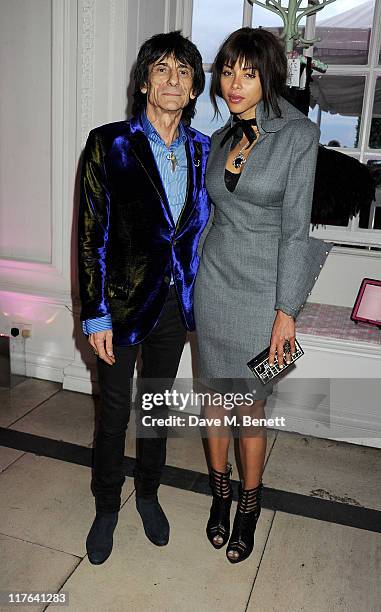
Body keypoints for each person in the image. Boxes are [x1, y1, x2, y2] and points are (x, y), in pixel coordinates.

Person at [193, 28, 333, 564]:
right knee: (213, 401)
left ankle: (249, 504)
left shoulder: (298, 135)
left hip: (262, 295)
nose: (234, 83)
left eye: (247, 73)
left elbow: (296, 230)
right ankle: (220, 497)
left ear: (268, 75)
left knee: (248, 408)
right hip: (215, 286)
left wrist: (286, 313)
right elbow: (213, 218)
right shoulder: (222, 138)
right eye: (227, 72)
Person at [78, 31, 210, 565]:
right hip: (121, 305)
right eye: (162, 69)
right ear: (143, 81)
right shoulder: (109, 142)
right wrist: (95, 315)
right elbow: (91, 235)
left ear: (195, 86)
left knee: (154, 410)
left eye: (183, 71)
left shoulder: (204, 149)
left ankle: (149, 495)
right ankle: (107, 504)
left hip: (175, 307)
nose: (173, 80)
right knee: (113, 414)